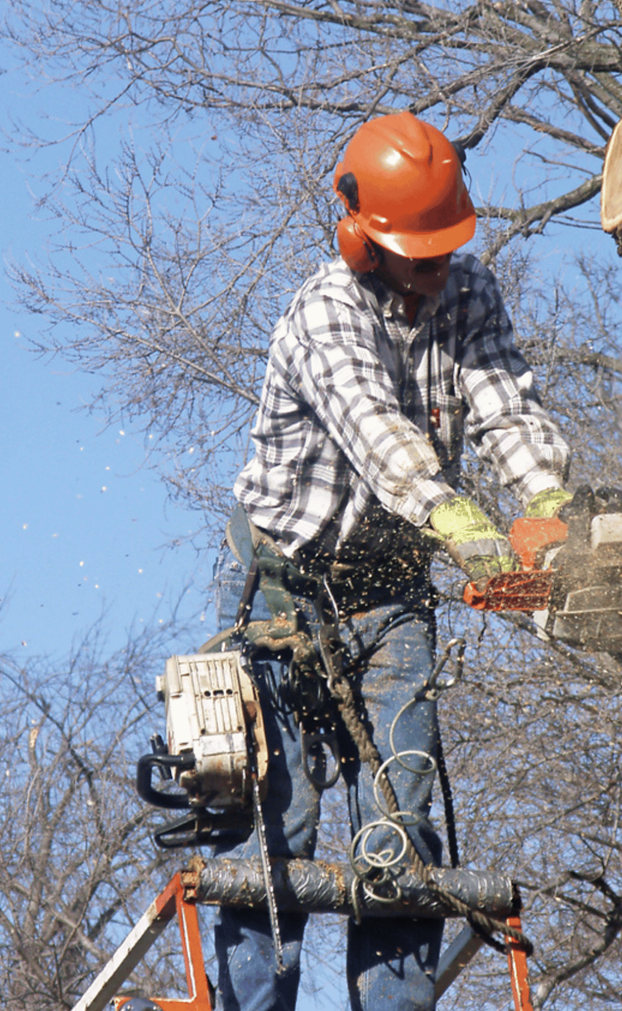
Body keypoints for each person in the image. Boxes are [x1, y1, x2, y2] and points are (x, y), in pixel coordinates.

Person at [213, 111, 571, 1011]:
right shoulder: (324, 313)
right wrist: (460, 521)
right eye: (418, 252)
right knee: (274, 831)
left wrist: (547, 504)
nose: (434, 269)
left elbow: (504, 406)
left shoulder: (470, 292)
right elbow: (381, 436)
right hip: (285, 593)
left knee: (402, 831)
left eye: (444, 248)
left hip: (393, 593)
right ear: (361, 237)